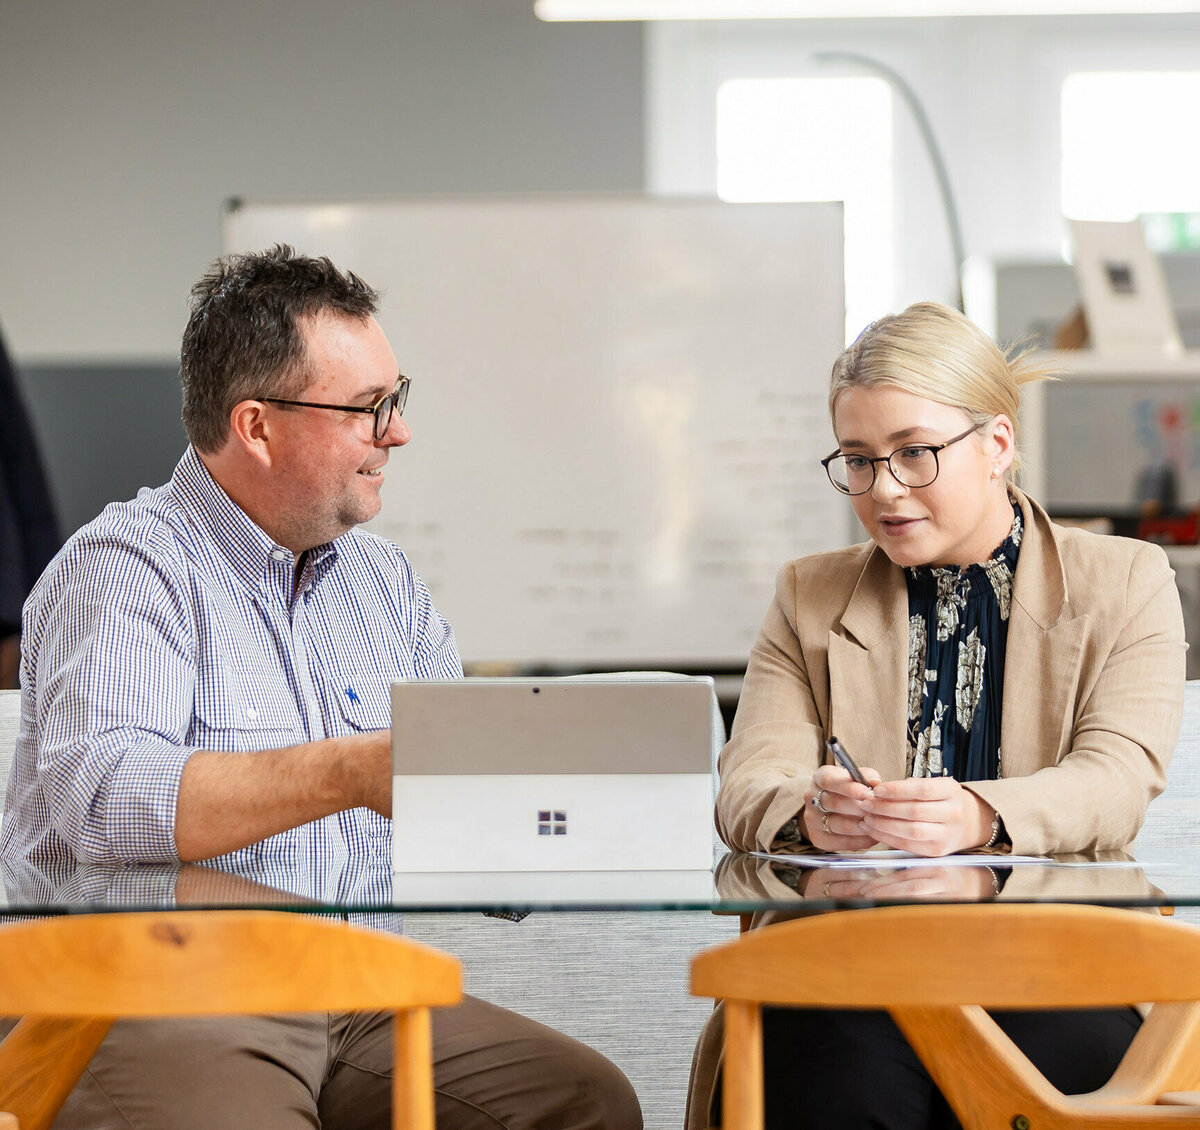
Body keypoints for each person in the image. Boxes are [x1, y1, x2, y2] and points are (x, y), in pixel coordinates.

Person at [1, 244, 642, 1130]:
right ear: (257, 426)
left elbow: (455, 809)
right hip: (149, 984)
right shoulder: (126, 567)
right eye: (367, 409)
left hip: (349, 986)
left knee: (582, 1103)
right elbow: (105, 806)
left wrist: (565, 821)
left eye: (396, 398)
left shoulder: (386, 587)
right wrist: (349, 772)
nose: (399, 431)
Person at [695, 301, 1186, 1130]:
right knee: (837, 1056)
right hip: (845, 966)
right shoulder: (808, 595)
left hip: (1055, 966)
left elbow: (1118, 779)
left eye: (914, 454)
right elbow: (748, 785)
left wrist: (979, 812)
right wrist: (813, 813)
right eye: (858, 460)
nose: (884, 490)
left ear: (997, 445)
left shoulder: (1127, 581)